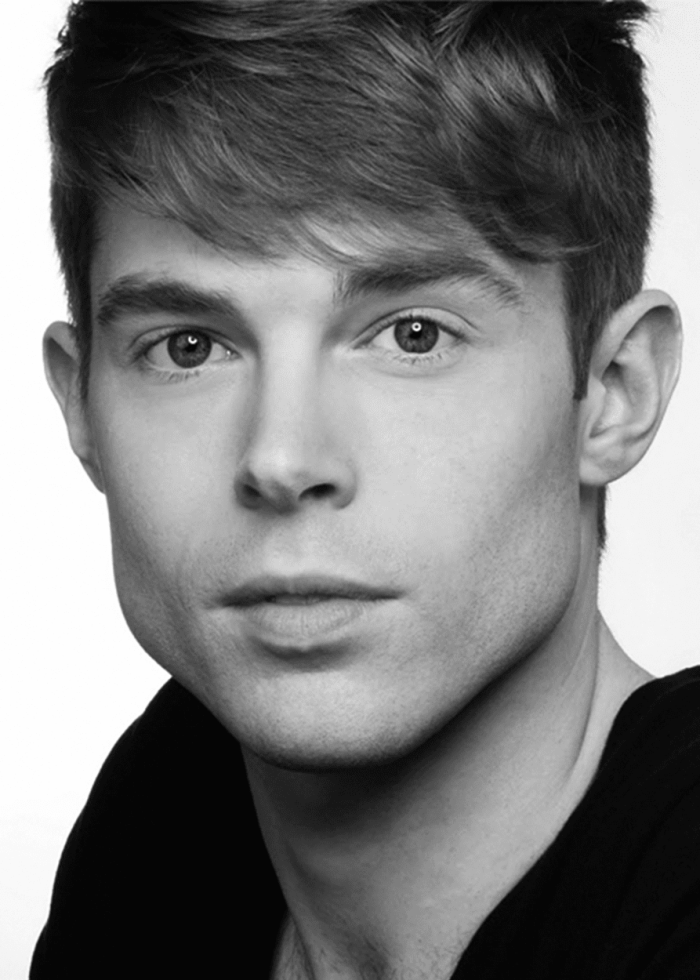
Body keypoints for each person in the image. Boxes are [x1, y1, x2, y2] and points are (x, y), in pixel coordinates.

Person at [30, 1, 698, 977]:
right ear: (81, 405)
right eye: (190, 346)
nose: (283, 455)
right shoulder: (165, 819)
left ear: (611, 395)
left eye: (412, 334)